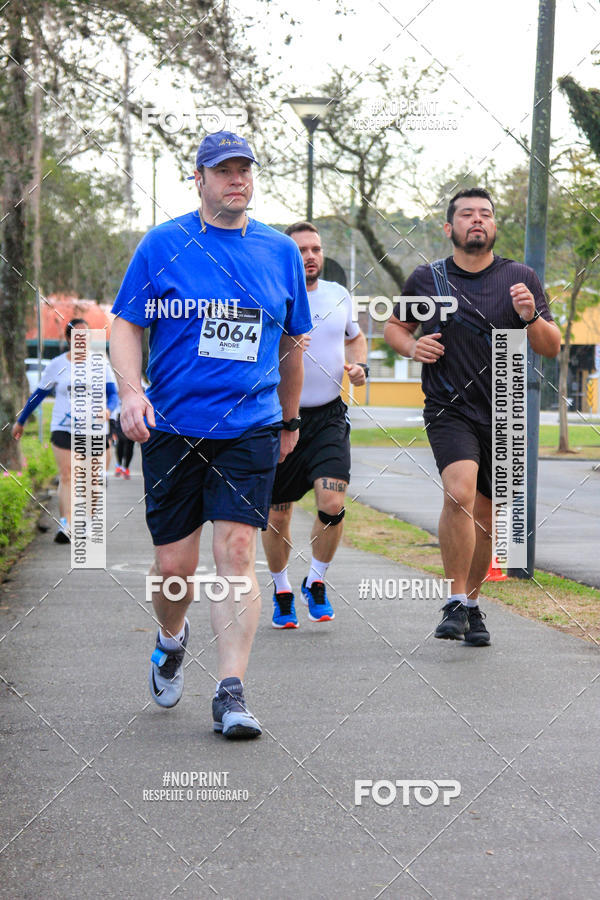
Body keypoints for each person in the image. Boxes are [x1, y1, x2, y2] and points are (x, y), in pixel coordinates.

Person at [110, 131, 311, 739]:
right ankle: (172, 639)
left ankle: (231, 691)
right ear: (197, 179)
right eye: (223, 171)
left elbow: (292, 343)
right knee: (175, 565)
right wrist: (130, 389)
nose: (237, 181)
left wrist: (290, 417)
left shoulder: (278, 252)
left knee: (234, 555)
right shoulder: (163, 244)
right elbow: (125, 325)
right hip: (172, 426)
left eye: (244, 170)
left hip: (248, 426)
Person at [384, 188, 561, 646]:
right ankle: (455, 598)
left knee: (487, 517)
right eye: (466, 214)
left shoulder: (520, 278)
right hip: (448, 405)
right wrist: (411, 346)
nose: (477, 220)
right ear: (450, 228)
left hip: (503, 405)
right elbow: (395, 327)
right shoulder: (429, 278)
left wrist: (530, 317)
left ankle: (473, 607)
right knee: (459, 493)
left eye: (485, 214)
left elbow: (551, 346)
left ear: (494, 226)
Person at [261, 222, 368, 627]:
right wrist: (280, 345)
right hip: (278, 418)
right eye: (302, 249)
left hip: (327, 417)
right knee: (278, 515)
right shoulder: (270, 294)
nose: (310, 256)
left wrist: (359, 366)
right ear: (287, 255)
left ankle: (317, 581)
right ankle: (282, 588)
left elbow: (354, 338)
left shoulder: (339, 295)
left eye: (316, 249)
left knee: (333, 502)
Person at [12, 319, 118, 543]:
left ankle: (87, 522)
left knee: (93, 478)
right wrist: (21, 421)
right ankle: (66, 525)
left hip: (95, 429)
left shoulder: (100, 363)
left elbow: (113, 394)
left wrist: (109, 410)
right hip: (64, 427)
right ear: (69, 339)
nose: (82, 339)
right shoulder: (57, 364)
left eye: (86, 335)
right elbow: (38, 395)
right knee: (68, 475)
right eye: (77, 336)